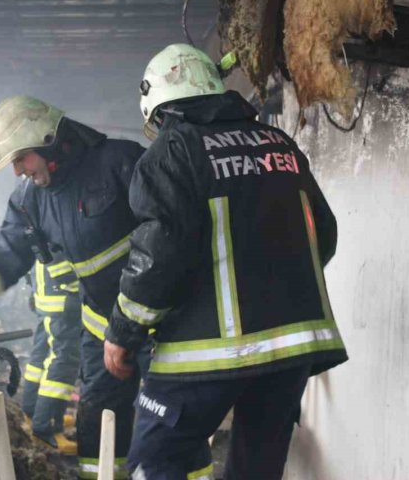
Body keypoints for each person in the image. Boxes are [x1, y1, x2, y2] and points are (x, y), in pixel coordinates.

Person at [102, 44, 348, 479]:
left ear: (159, 109)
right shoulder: (281, 144)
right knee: (256, 470)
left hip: (206, 354)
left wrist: (123, 332)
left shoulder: (173, 150)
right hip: (290, 353)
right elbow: (322, 235)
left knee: (155, 462)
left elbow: (160, 254)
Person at [0, 95, 146, 476]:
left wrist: (133, 326)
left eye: (20, 158)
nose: (17, 172)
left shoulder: (120, 162)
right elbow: (5, 254)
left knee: (164, 428)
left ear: (46, 139)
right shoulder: (29, 199)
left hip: (156, 324)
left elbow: (167, 237)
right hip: (100, 327)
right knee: (98, 423)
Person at [20, 258, 82, 454]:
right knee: (64, 359)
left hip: (47, 289)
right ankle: (46, 425)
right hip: (63, 294)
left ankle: (33, 411)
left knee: (42, 353)